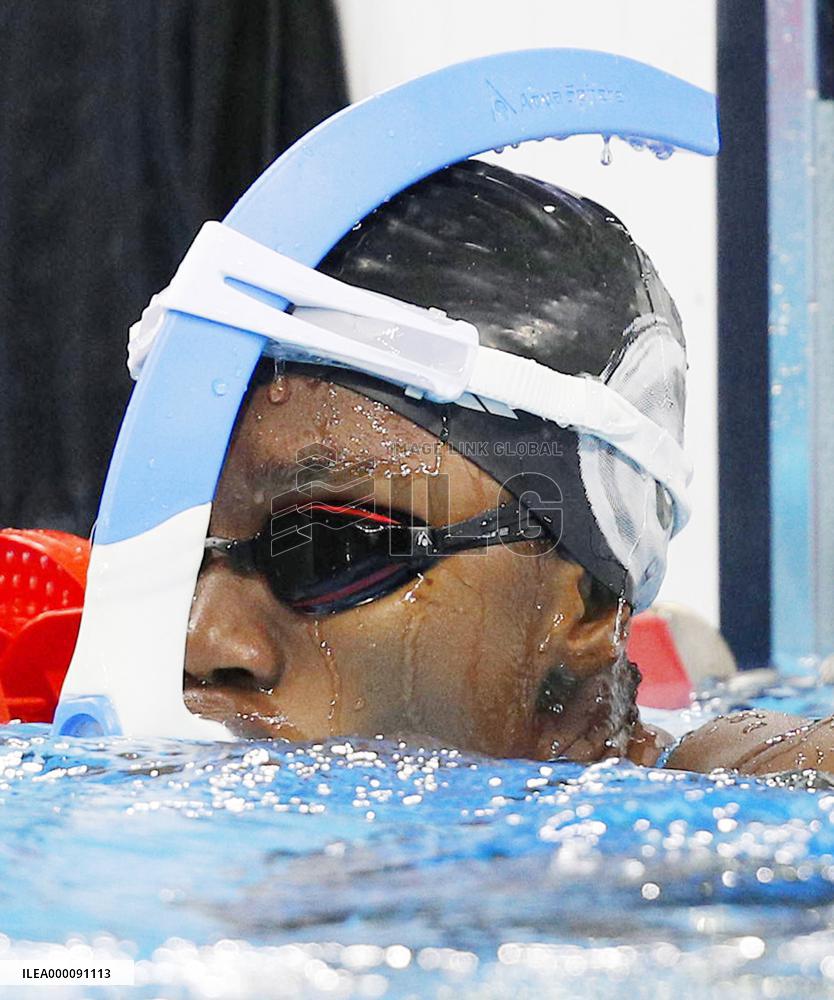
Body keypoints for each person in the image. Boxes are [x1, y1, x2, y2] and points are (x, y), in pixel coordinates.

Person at [182, 159, 833, 776]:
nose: (204, 648)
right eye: (180, 562)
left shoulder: (729, 796)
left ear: (592, 603)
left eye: (330, 550)